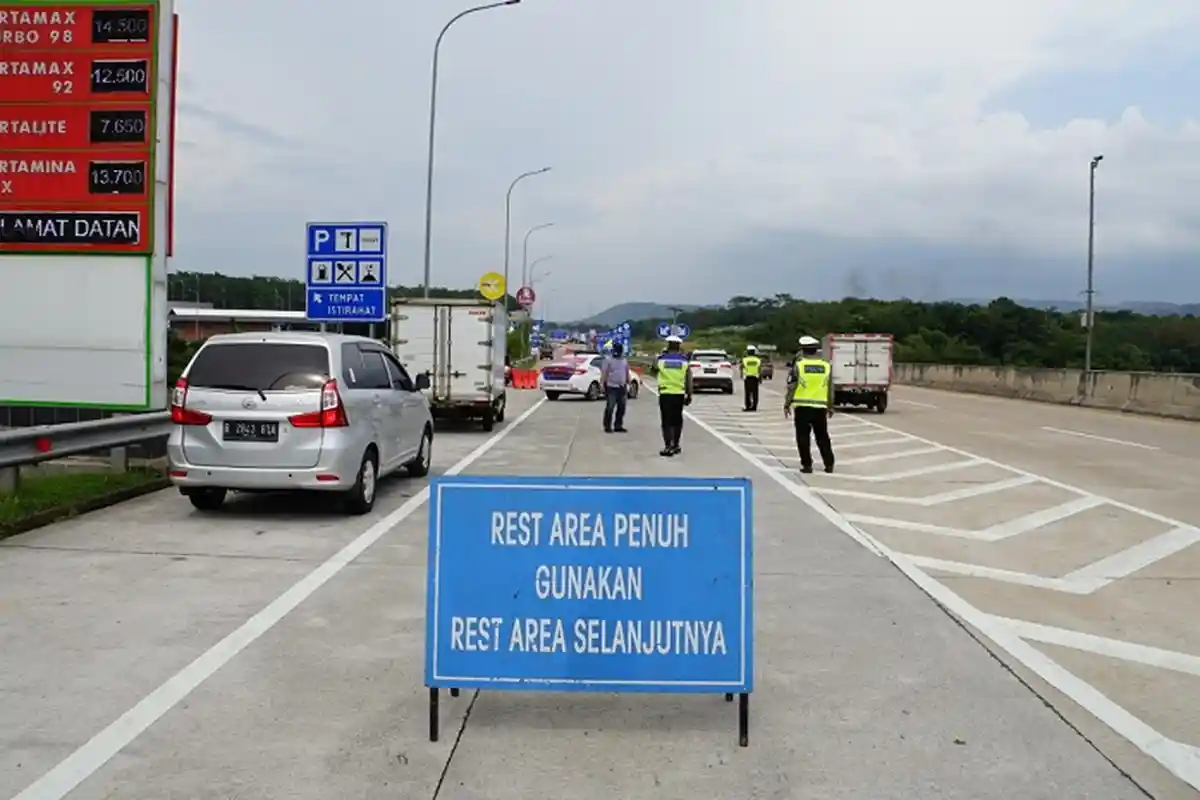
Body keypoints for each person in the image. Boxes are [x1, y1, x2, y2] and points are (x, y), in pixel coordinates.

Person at [784, 335, 835, 474]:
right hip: (820, 408)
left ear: (803, 350)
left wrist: (787, 404)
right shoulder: (826, 366)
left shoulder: (799, 365)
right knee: (822, 436)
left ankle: (807, 465)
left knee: (803, 437)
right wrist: (830, 406)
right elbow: (830, 388)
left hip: (802, 407)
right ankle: (829, 464)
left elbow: (792, 386)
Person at [655, 335, 693, 456]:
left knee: (666, 421)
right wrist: (689, 394)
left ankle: (668, 446)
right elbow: (689, 379)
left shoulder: (661, 359)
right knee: (677, 420)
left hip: (665, 393)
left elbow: (652, 371)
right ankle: (676, 445)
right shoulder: (684, 361)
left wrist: (661, 354)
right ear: (679, 346)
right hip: (679, 393)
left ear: (668, 345)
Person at [600, 342, 630, 433]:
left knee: (622, 407)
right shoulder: (608, 360)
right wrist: (602, 384)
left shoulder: (624, 361)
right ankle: (607, 426)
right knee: (610, 407)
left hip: (622, 386)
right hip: (611, 386)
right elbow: (604, 373)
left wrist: (628, 381)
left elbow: (626, 372)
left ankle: (618, 425)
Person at [741, 345, 762, 411]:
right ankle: (754, 406)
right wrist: (760, 378)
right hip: (755, 377)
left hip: (747, 378)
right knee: (755, 393)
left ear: (747, 352)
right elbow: (759, 369)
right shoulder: (758, 360)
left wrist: (742, 376)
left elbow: (742, 368)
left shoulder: (744, 360)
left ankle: (748, 406)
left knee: (747, 393)